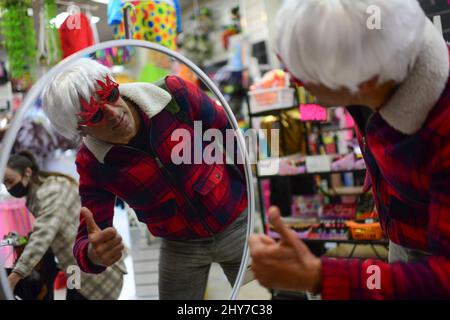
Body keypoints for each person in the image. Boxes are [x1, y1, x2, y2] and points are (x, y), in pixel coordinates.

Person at [249, 0, 450, 299]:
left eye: (303, 74)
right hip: (402, 231)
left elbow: (442, 280)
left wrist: (319, 276)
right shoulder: (380, 64)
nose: (292, 79)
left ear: (364, 83)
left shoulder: (441, 128)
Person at [41, 58, 248, 300]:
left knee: (271, 297)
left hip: (237, 223)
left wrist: (254, 192)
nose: (113, 112)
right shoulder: (93, 163)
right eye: (95, 116)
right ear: (80, 131)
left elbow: (232, 134)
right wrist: (93, 255)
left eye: (110, 94)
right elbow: (88, 235)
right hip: (181, 246)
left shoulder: (173, 96)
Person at [4, 151, 126, 300]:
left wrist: (15, 276)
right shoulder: (35, 196)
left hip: (95, 264)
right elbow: (47, 230)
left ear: (27, 172)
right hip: (73, 266)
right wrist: (23, 241)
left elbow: (44, 233)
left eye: (10, 181)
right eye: (5, 184)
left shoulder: (51, 191)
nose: (9, 188)